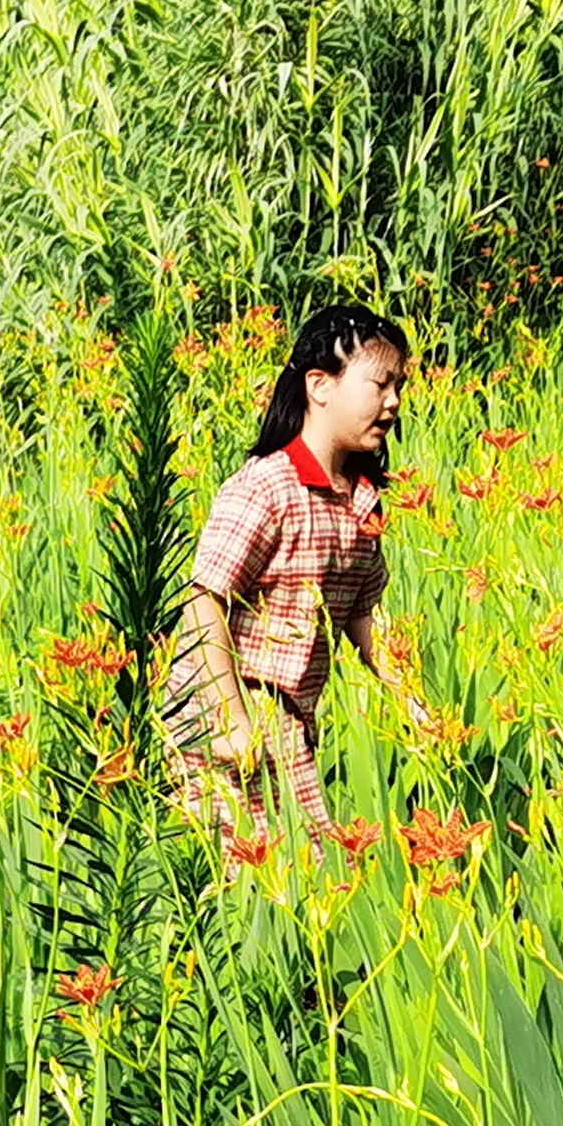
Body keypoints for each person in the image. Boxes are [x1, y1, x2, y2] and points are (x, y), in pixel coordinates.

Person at [171, 305, 424, 828]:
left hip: (288, 731)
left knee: (310, 886)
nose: (394, 401)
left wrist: (414, 703)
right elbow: (202, 603)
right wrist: (232, 722)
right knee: (251, 890)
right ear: (320, 385)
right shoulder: (265, 487)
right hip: (222, 726)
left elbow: (363, 616)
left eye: (398, 385)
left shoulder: (360, 501)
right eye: (379, 384)